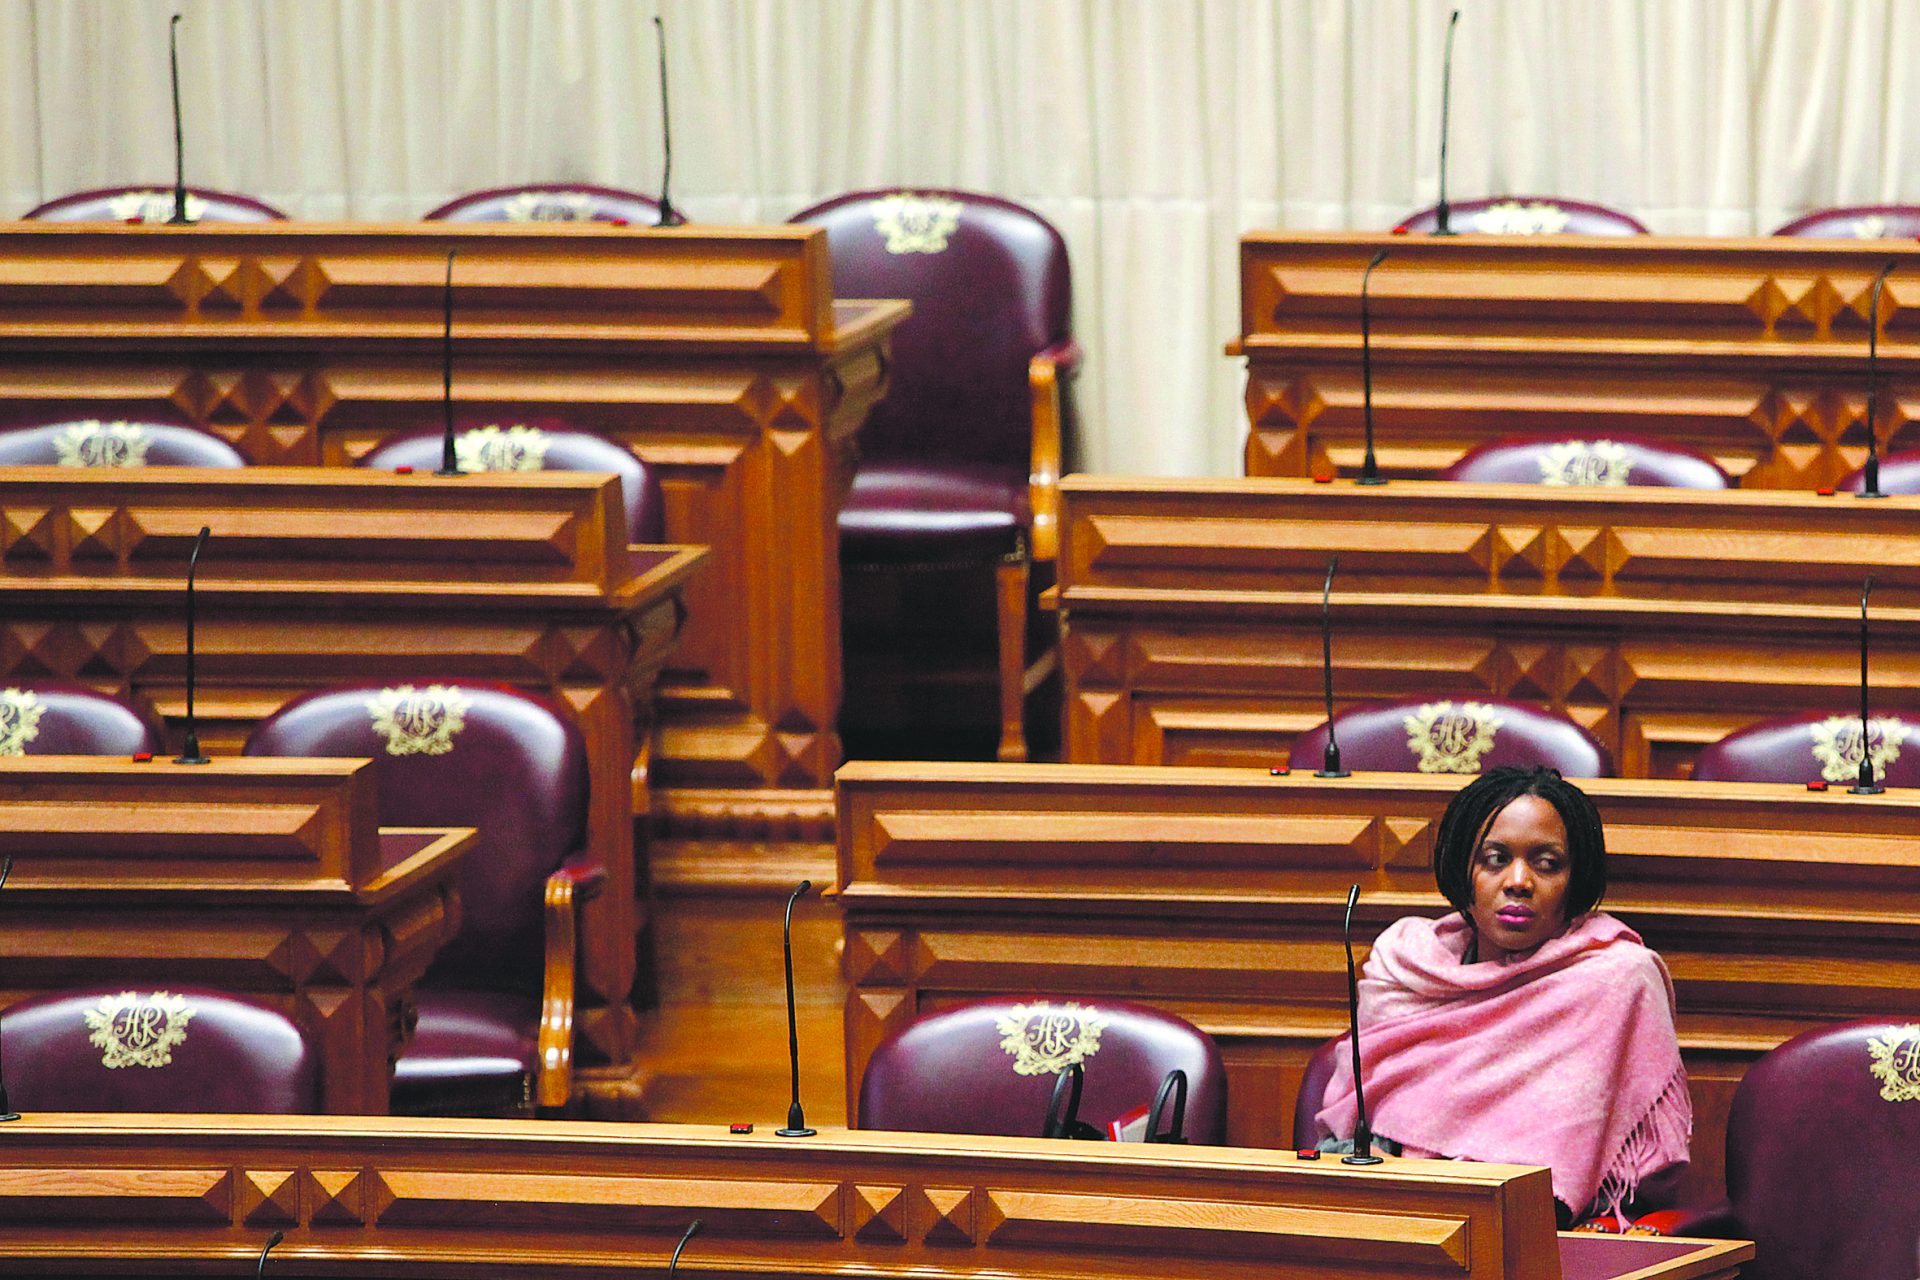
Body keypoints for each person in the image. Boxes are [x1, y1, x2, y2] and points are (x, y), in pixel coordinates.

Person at [1313, 765, 1691, 1227]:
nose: (1518, 881)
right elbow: (1358, 1132)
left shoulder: (1615, 980)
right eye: (1494, 859)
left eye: (1547, 863)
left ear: (1576, 880)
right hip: (1390, 1217)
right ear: (1462, 870)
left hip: (1532, 1233)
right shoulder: (1404, 966)